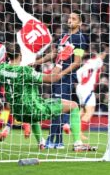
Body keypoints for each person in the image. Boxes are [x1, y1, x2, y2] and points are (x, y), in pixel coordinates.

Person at [0, 43, 95, 151]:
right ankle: (78, 144)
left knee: (31, 109)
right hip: (35, 110)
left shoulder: (1, 70)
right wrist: (60, 61)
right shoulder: (25, 71)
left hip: (18, 114)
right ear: (20, 55)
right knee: (74, 105)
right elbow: (52, 78)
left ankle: (41, 142)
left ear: (7, 56)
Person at [0, 0, 54, 141]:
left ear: (41, 19)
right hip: (27, 66)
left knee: (10, 97)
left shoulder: (31, 20)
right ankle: (35, 136)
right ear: (51, 24)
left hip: (13, 57)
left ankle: (6, 127)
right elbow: (38, 53)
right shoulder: (48, 38)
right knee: (29, 101)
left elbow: (18, 9)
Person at [34, 11, 88, 149]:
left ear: (80, 23)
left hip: (65, 77)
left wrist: (62, 73)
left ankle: (56, 139)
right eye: (69, 18)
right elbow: (54, 54)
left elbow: (77, 62)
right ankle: (56, 141)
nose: (70, 20)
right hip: (56, 75)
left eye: (74, 18)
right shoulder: (63, 37)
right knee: (55, 106)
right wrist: (37, 62)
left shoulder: (80, 38)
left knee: (59, 106)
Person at [76, 46, 108, 140]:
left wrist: (81, 82)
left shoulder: (89, 61)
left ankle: (72, 127)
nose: (105, 55)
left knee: (82, 110)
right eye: (104, 53)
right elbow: (99, 63)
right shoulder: (97, 61)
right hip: (87, 89)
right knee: (89, 112)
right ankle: (79, 133)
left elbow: (78, 72)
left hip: (81, 87)